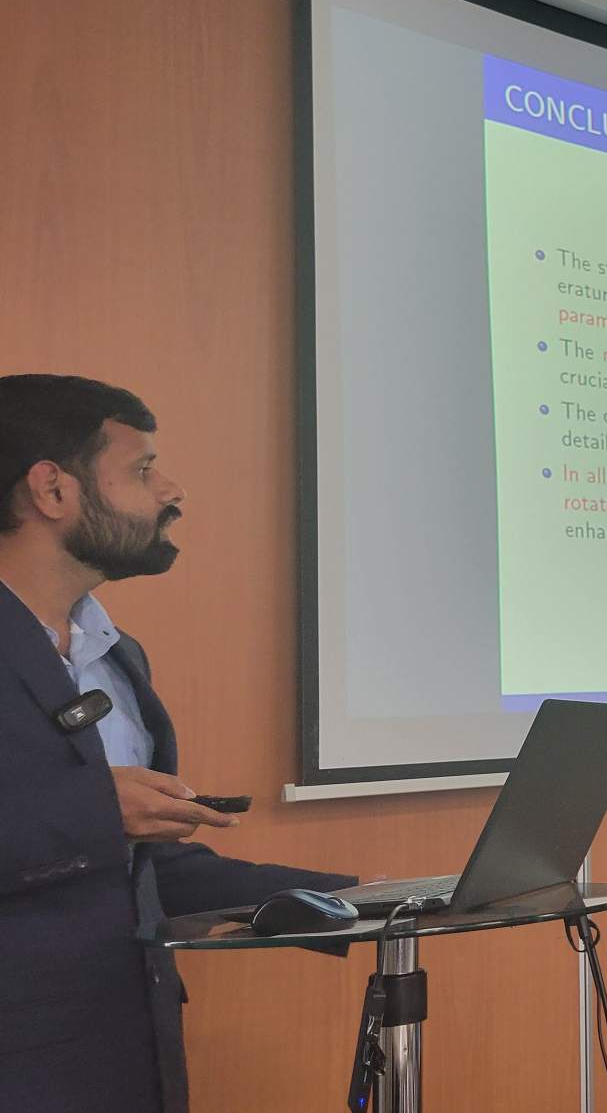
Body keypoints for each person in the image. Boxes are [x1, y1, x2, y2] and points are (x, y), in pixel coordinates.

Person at [0, 375, 355, 1113]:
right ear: (51, 489)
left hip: (130, 1053)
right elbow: (97, 823)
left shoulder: (117, 655)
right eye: (141, 469)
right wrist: (93, 810)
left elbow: (139, 866)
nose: (171, 490)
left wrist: (366, 899)